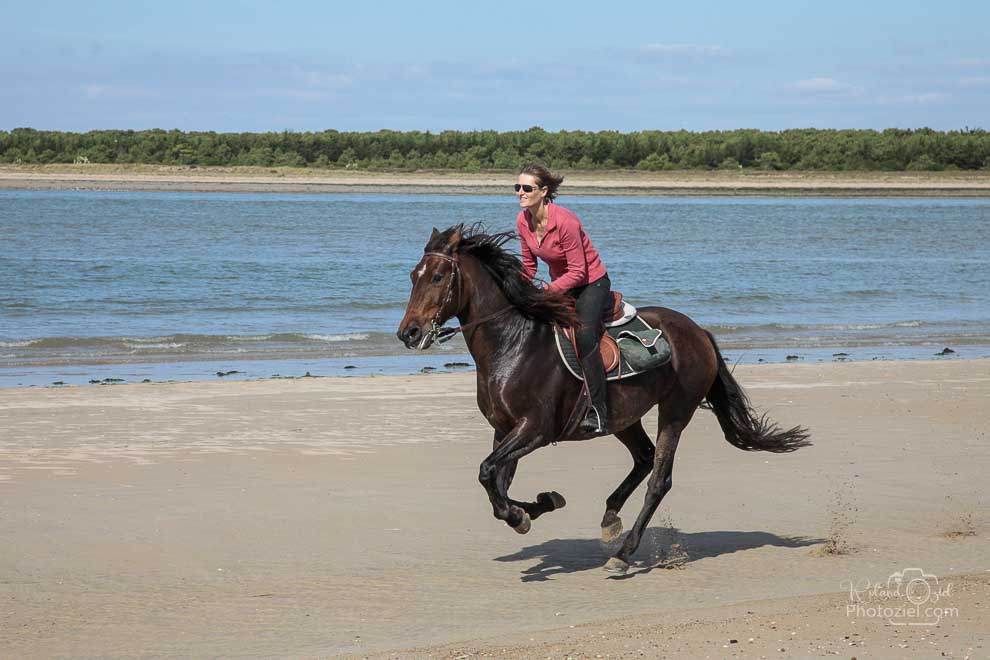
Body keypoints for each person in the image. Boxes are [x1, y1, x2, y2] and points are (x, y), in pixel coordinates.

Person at [514, 163, 611, 435]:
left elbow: (579, 271)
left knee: (583, 335)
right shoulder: (523, 220)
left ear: (543, 192)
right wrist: (514, 286)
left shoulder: (566, 221)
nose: (520, 192)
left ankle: (599, 411)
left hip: (592, 283)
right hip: (563, 285)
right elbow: (528, 266)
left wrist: (547, 292)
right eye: (517, 187)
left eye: (527, 188)